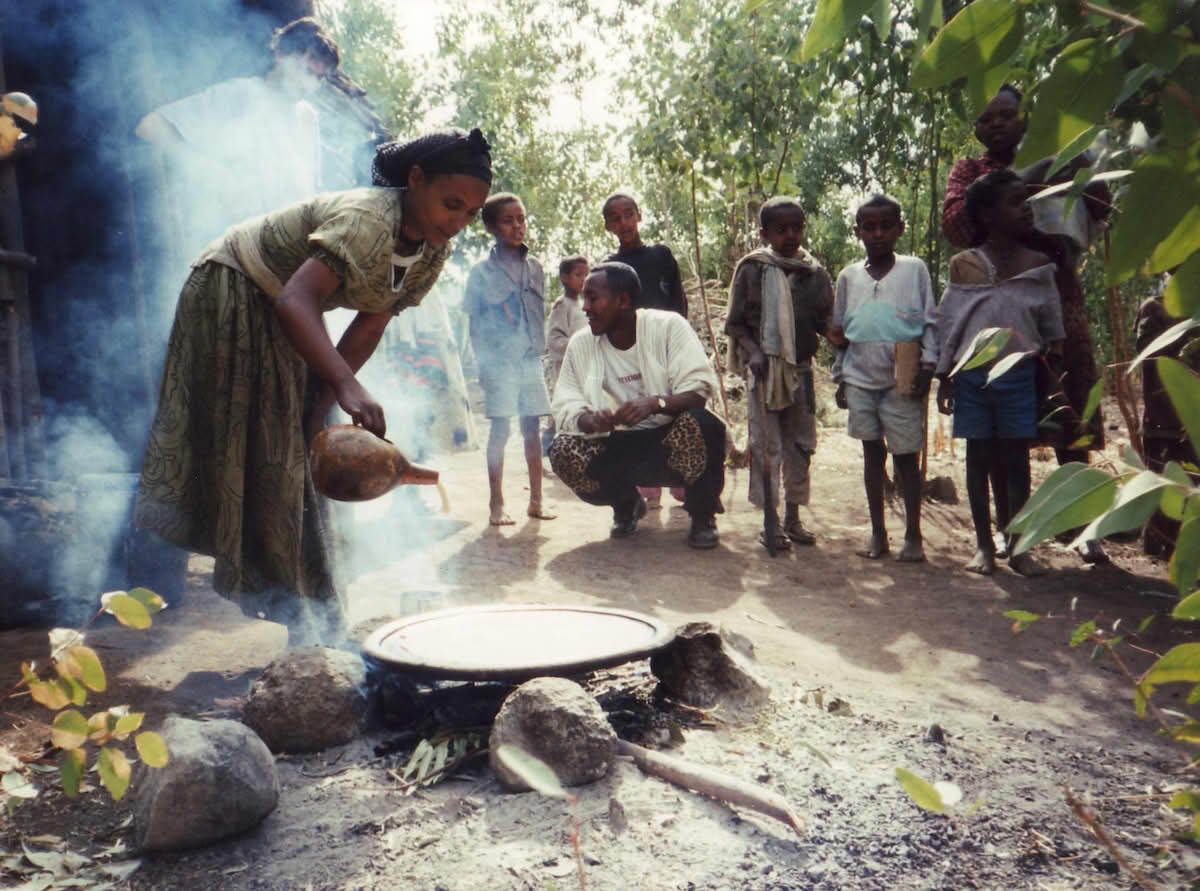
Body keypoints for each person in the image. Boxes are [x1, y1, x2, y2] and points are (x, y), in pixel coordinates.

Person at [135, 128, 493, 644]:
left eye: (469, 214)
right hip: (233, 286)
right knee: (273, 455)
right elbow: (294, 301)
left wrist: (323, 401)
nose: (457, 223)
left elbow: (369, 326)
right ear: (415, 181)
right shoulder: (368, 220)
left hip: (282, 308)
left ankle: (308, 609)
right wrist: (345, 384)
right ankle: (301, 615)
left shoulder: (431, 254)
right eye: (450, 205)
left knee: (299, 449)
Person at [943, 83, 1111, 564]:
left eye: (1006, 115)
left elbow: (1100, 206)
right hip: (995, 302)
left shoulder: (1063, 151)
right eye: (986, 118)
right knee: (1001, 423)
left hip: (1057, 294)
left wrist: (1080, 162)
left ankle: (1079, 524)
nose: (995, 124)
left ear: (1026, 118)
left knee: (1069, 401)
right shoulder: (970, 171)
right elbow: (956, 223)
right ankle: (1006, 529)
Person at [935, 169, 1064, 577]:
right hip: (973, 376)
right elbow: (951, 322)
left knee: (1016, 460)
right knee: (978, 457)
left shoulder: (1039, 266)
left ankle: (1018, 543)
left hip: (1020, 376)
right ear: (988, 215)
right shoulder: (965, 266)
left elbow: (1051, 328)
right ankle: (984, 545)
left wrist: (1053, 383)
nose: (1025, 208)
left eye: (1026, 200)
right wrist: (944, 375)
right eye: (1015, 201)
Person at [549, 262, 725, 549]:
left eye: (593, 298)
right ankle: (626, 503)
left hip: (668, 439)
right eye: (584, 298)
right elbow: (565, 401)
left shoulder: (668, 326)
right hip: (618, 444)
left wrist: (655, 403)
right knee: (563, 449)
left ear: (622, 301)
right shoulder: (581, 343)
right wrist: (587, 420)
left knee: (704, 424)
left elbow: (698, 391)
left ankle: (703, 514)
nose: (585, 307)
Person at [135, 18, 339, 245]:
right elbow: (150, 127)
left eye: (319, 78)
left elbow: (311, 189)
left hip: (280, 258)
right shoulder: (242, 94)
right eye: (306, 70)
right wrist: (211, 172)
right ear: (281, 54)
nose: (309, 84)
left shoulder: (308, 118)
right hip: (228, 248)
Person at [829, 194, 937, 563]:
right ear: (857, 231)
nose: (877, 234)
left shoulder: (914, 270)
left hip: (902, 375)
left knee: (907, 458)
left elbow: (930, 322)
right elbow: (840, 331)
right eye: (869, 227)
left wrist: (928, 365)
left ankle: (913, 535)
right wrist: (840, 376)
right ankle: (878, 534)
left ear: (899, 229)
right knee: (871, 456)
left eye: (885, 226)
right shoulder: (848, 277)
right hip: (860, 376)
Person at [724, 197, 833, 550]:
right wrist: (754, 351)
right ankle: (769, 523)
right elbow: (736, 324)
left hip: (801, 371)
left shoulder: (815, 274)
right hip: (764, 371)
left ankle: (793, 518)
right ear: (764, 233)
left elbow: (825, 323)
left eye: (797, 228)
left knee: (800, 446)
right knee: (765, 445)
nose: (790, 235)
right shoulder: (752, 269)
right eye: (781, 229)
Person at [464, 192, 556, 526]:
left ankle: (536, 501)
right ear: (491, 227)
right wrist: (482, 367)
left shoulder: (535, 267)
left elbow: (537, 315)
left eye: (521, 219)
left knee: (531, 428)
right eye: (508, 220)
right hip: (498, 363)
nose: (518, 226)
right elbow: (474, 325)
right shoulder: (480, 274)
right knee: (501, 430)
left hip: (530, 360)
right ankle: (497, 505)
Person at [603, 190, 688, 510]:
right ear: (608, 226)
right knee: (640, 417)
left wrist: (680, 344)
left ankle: (682, 483)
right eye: (616, 218)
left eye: (629, 214)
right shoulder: (610, 267)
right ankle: (648, 485)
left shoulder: (661, 256)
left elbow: (678, 302)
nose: (624, 222)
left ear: (639, 216)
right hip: (632, 356)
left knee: (674, 412)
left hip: (667, 349)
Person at [1134, 289, 1200, 559]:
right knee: (1166, 487)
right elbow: (1149, 355)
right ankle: (1160, 543)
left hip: (1191, 421)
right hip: (1165, 422)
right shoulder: (1155, 307)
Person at [542, 255, 590, 454]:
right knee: (562, 406)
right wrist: (576, 346)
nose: (584, 280)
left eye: (587, 275)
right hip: (565, 367)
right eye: (578, 275)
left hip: (584, 366)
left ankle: (569, 448)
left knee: (579, 406)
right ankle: (548, 448)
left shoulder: (583, 303)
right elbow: (554, 340)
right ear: (564, 277)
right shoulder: (562, 305)